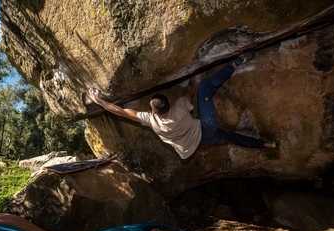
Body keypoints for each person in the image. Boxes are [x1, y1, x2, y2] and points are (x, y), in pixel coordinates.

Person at [88, 51, 277, 159]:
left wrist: (100, 101)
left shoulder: (151, 121)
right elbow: (190, 92)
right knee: (205, 87)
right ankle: (236, 64)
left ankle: (265, 144)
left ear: (152, 111)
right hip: (206, 127)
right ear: (168, 102)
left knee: (229, 137)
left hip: (199, 141)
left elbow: (121, 112)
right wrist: (193, 81)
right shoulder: (179, 106)